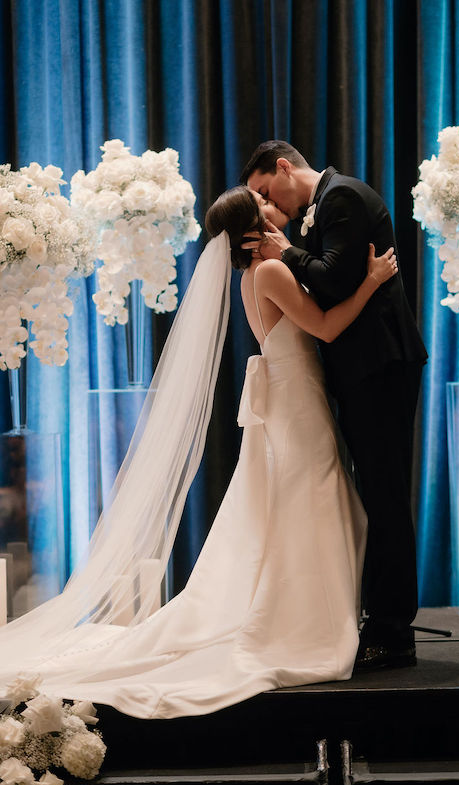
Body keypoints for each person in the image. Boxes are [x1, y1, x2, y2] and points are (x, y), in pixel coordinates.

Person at [0, 187, 397, 719]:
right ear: (253, 227)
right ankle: (308, 620)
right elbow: (323, 327)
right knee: (315, 501)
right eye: (265, 209)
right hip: (297, 400)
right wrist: (371, 282)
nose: (276, 211)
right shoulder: (272, 272)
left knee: (306, 502)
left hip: (291, 395)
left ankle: (310, 609)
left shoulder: (253, 273)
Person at [241, 142, 428, 670]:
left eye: (262, 190)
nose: (264, 205)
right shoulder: (321, 206)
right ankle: (378, 617)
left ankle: (393, 630)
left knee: (385, 493)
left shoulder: (341, 196)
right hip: (361, 369)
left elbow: (332, 278)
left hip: (380, 366)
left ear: (283, 167)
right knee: (373, 490)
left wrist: (285, 252)